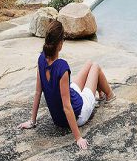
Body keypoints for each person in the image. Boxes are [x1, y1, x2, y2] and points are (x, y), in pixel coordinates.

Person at [18, 20, 116, 149]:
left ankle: (100, 93)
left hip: (58, 119)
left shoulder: (41, 59)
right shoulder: (62, 67)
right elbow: (67, 107)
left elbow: (37, 92)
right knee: (95, 67)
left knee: (88, 64)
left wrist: (32, 121)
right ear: (60, 43)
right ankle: (109, 96)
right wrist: (78, 138)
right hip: (79, 113)